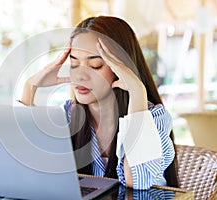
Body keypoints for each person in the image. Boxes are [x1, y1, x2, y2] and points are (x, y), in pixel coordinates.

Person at [19, 16, 178, 190]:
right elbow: (22, 162)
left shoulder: (154, 119)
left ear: (121, 69)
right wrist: (30, 86)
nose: (80, 75)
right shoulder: (68, 116)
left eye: (95, 65)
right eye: (74, 63)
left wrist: (137, 91)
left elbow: (137, 179)